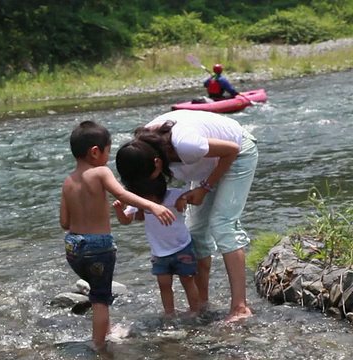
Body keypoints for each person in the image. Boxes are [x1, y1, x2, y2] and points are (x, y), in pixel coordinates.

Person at [115, 109, 258, 322]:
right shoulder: (140, 150)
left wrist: (205, 188)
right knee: (196, 231)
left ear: (156, 163)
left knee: (222, 225)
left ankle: (240, 307)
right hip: (210, 167)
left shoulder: (187, 145)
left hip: (239, 154)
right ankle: (202, 303)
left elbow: (232, 149)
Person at [60, 120, 176, 350]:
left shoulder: (67, 182)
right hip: (98, 246)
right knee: (101, 299)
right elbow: (122, 194)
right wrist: (152, 206)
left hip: (73, 247)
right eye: (107, 152)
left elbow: (64, 223)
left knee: (97, 289)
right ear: (95, 152)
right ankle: (99, 344)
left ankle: (107, 329)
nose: (107, 158)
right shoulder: (101, 172)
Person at [112, 174, 200, 317]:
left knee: (188, 280)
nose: (149, 204)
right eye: (145, 199)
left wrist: (184, 198)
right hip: (159, 253)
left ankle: (195, 311)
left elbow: (197, 194)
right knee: (164, 285)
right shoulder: (140, 203)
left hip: (182, 247)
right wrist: (118, 211)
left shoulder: (172, 195)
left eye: (152, 199)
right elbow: (126, 221)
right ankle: (169, 314)